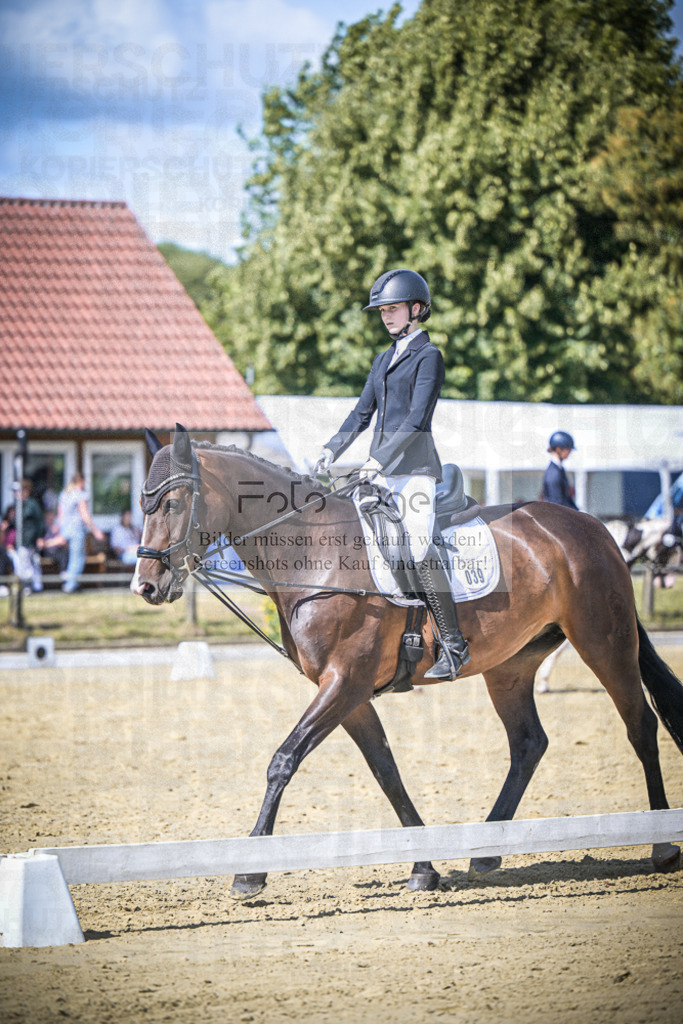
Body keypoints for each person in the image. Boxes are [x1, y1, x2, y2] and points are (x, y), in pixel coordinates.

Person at [314, 268, 469, 679]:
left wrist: (378, 460)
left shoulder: (428, 357)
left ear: (417, 309)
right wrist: (331, 448)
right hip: (379, 472)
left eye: (393, 308)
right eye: (382, 310)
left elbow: (417, 419)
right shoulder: (383, 359)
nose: (385, 316)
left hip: (415, 471)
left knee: (417, 548)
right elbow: (361, 412)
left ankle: (454, 646)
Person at [58, 472, 105, 593]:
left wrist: (61, 530)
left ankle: (69, 582)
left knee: (70, 558)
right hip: (76, 530)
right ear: (81, 481)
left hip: (65, 529)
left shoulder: (65, 494)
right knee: (77, 558)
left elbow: (60, 514)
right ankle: (70, 586)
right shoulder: (80, 495)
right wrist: (95, 530)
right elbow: (84, 515)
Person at [542, 431, 578, 509]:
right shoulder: (553, 473)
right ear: (559, 449)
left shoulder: (559, 469)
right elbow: (557, 503)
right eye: (568, 450)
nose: (570, 453)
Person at [37, 508, 68, 574]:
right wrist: (53, 542)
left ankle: (64, 574)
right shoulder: (42, 529)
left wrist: (52, 541)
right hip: (47, 552)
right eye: (49, 517)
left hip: (57, 551)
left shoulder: (57, 528)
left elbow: (63, 542)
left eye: (52, 517)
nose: (51, 519)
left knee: (64, 553)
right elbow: (41, 544)